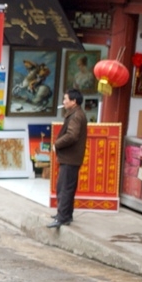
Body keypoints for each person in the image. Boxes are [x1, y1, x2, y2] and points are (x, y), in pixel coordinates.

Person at [48, 87, 88, 228]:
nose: (64, 101)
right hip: (71, 157)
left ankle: (62, 217)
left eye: (65, 99)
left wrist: (57, 144)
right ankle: (66, 215)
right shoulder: (75, 113)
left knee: (64, 188)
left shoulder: (76, 116)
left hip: (70, 158)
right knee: (66, 187)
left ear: (74, 101)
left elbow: (72, 135)